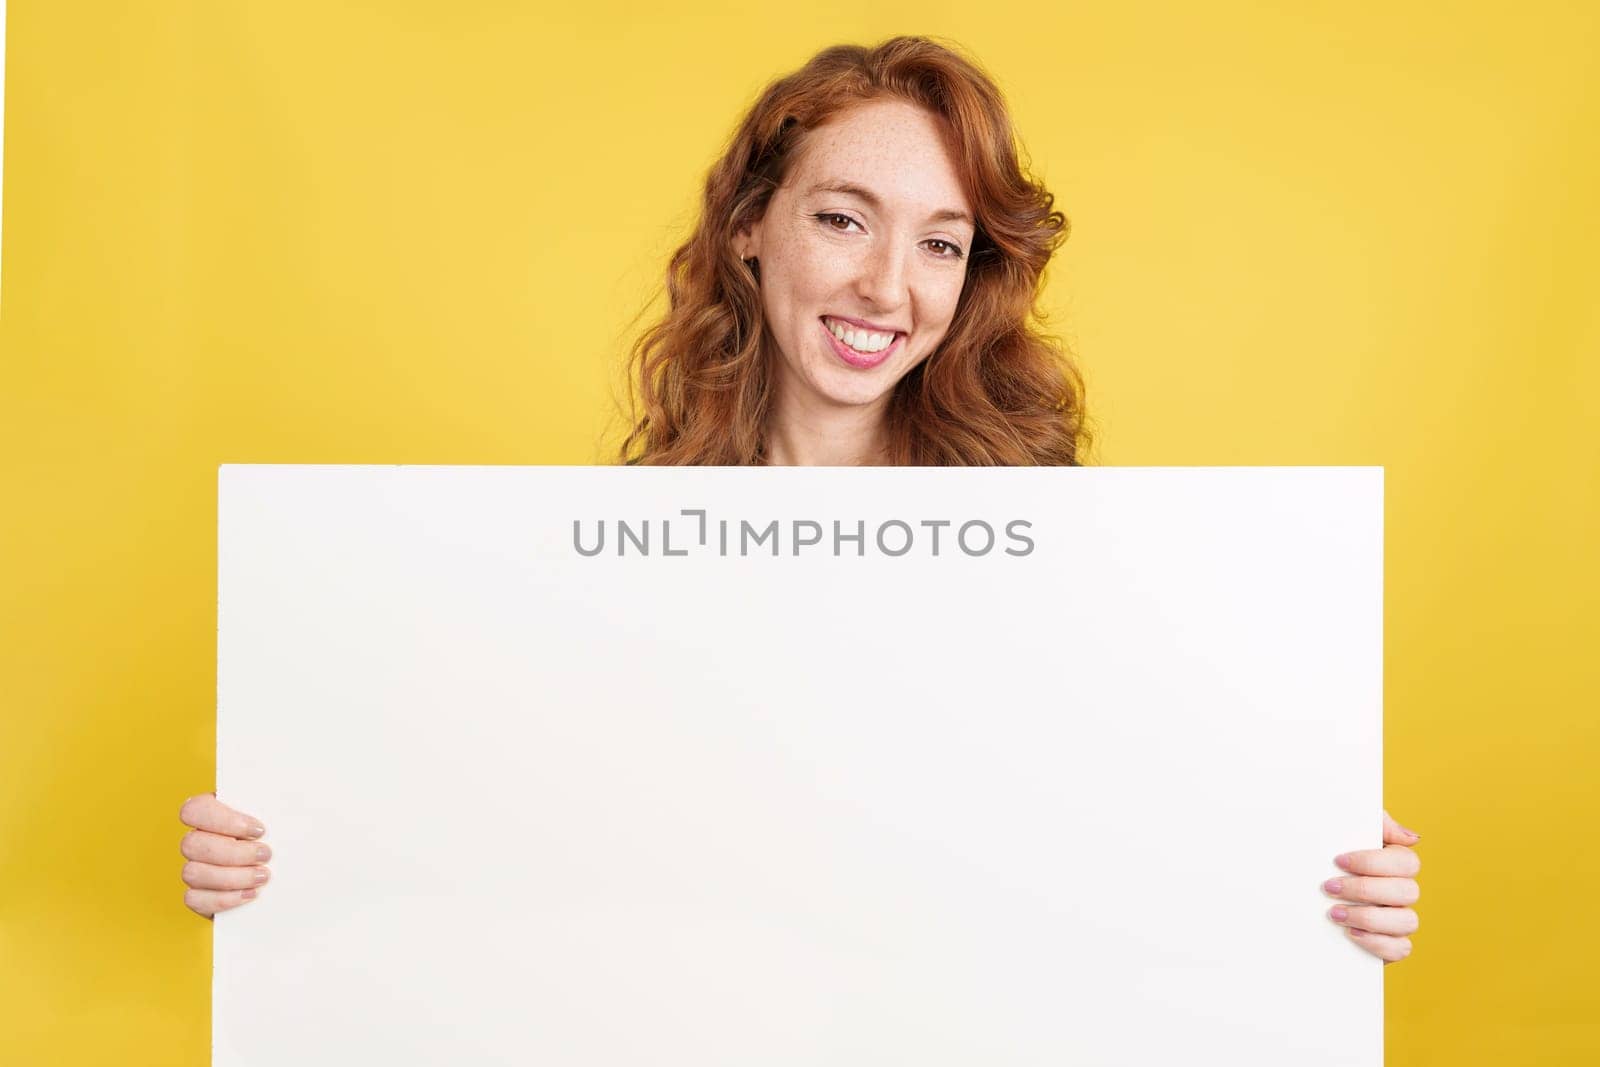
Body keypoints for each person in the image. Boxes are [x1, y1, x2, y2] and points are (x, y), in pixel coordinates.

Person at [178, 35, 1421, 963]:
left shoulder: (1065, 560)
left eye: (941, 241)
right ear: (751, 231)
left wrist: (1300, 839)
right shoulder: (590, 570)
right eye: (843, 218)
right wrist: (285, 845)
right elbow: (517, 856)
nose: (889, 284)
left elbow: (1134, 833)